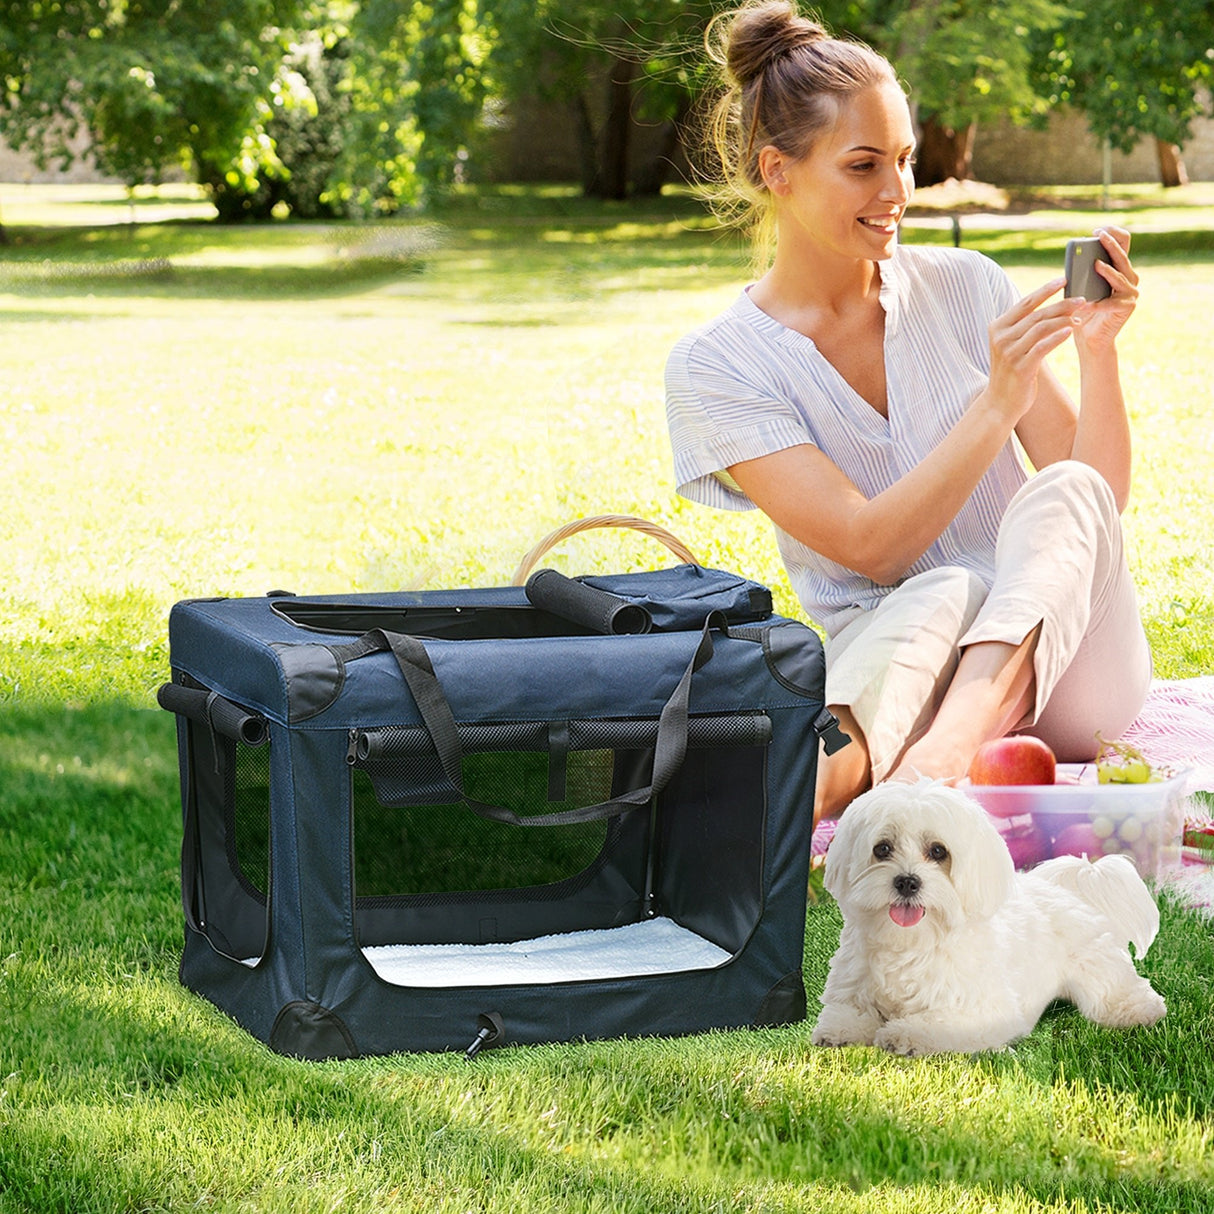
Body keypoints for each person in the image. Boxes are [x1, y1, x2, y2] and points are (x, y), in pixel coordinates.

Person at [665, 0, 1152, 824]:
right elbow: (872, 547)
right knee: (944, 585)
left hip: (1069, 666)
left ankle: (940, 763)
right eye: (863, 166)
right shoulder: (718, 365)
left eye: (904, 160)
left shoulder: (965, 284)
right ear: (778, 170)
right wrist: (996, 405)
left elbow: (1099, 498)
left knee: (1066, 491)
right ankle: (807, 806)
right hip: (900, 667)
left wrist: (1097, 353)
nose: (897, 192)